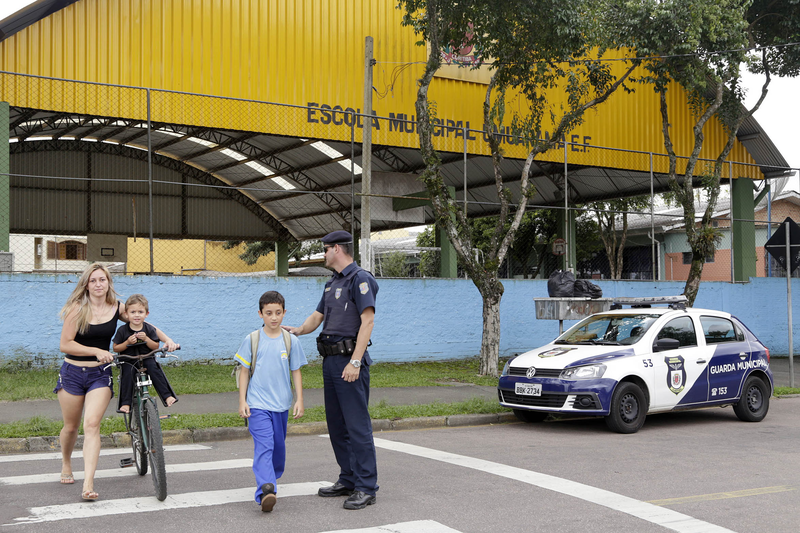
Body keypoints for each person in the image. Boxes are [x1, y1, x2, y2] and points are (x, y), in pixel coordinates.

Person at [55, 263, 177, 502]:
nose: (98, 284)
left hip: (100, 374)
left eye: (102, 279)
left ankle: (88, 484)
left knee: (92, 425)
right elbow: (65, 343)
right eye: (93, 280)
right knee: (71, 427)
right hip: (72, 372)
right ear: (86, 285)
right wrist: (95, 350)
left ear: (109, 282)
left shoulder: (117, 307)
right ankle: (66, 463)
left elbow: (142, 324)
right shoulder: (77, 309)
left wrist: (167, 339)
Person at [283, 230, 379, 510]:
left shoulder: (360, 279)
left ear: (337, 249)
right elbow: (318, 316)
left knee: (357, 426)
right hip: (331, 361)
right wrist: (298, 330)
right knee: (337, 426)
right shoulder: (332, 282)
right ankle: (348, 479)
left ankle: (366, 486)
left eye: (325, 249)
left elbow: (368, 322)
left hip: (350, 361)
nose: (323, 254)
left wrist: (356, 362)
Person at [236, 290, 307, 513]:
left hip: (281, 404)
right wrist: (242, 401)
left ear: (284, 312)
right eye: (268, 313)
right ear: (260, 314)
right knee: (264, 445)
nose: (274, 317)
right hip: (257, 404)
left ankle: (271, 477)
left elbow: (296, 371)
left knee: (278, 448)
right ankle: (266, 489)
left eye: (278, 312)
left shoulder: (290, 340)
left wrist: (299, 399)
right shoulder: (252, 339)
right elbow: (244, 371)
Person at [112, 294, 179, 414]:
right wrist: (127, 342)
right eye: (133, 312)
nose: (137, 315)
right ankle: (125, 403)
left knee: (155, 369)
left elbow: (155, 346)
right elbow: (116, 348)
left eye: (140, 312)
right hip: (129, 360)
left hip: (147, 358)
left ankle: (167, 396)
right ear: (126, 314)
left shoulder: (149, 329)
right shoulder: (122, 330)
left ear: (146, 314)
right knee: (126, 374)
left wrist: (146, 339)